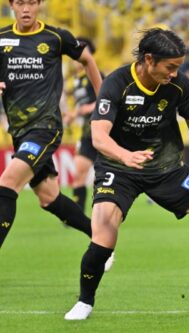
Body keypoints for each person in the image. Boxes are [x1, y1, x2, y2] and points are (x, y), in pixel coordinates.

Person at [64, 28, 189, 320]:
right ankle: (85, 301)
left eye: (178, 68)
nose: (175, 74)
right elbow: (99, 137)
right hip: (119, 168)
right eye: (170, 67)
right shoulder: (116, 84)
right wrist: (125, 155)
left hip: (166, 167)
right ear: (149, 59)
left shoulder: (179, 85)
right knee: (103, 236)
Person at [0, 1, 104, 250]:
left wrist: (103, 105)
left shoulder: (56, 37)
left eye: (31, 3)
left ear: (39, 5)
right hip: (19, 131)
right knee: (48, 198)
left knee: (7, 183)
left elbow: (88, 60)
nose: (26, 8)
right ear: (12, 5)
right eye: (20, 2)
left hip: (46, 128)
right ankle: (101, 238)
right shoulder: (2, 38)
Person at [65, 37, 102, 211]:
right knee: (79, 172)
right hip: (88, 132)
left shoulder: (96, 75)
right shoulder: (77, 79)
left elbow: (106, 101)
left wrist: (81, 110)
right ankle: (76, 214)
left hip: (103, 131)